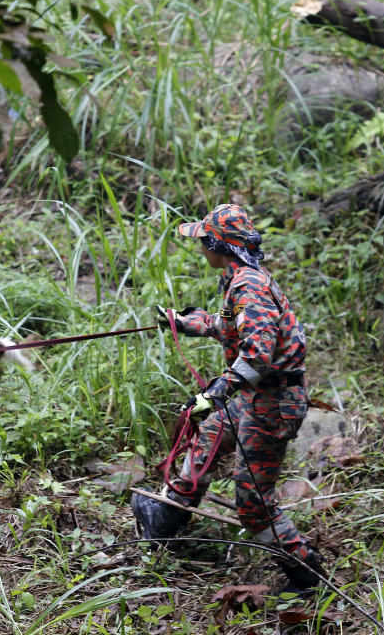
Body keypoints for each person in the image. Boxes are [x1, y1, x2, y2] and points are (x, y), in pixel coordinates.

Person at [132, 203, 325, 597]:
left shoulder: (249, 286)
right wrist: (184, 322)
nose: (200, 246)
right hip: (254, 397)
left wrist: (215, 393)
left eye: (204, 240)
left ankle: (307, 575)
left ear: (219, 244)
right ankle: (167, 519)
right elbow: (227, 325)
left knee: (253, 504)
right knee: (210, 433)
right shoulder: (238, 278)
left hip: (271, 403)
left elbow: (258, 354)